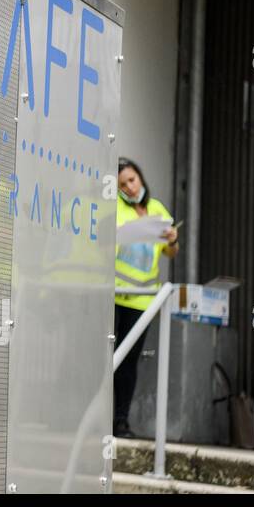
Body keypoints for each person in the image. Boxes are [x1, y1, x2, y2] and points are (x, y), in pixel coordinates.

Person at [113, 157, 179, 438]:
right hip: (113, 295)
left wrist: (172, 239)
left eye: (132, 179)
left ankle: (120, 421)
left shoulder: (157, 209)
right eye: (123, 184)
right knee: (106, 359)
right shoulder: (112, 207)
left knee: (128, 364)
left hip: (141, 300)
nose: (129, 187)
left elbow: (170, 253)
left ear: (140, 177)